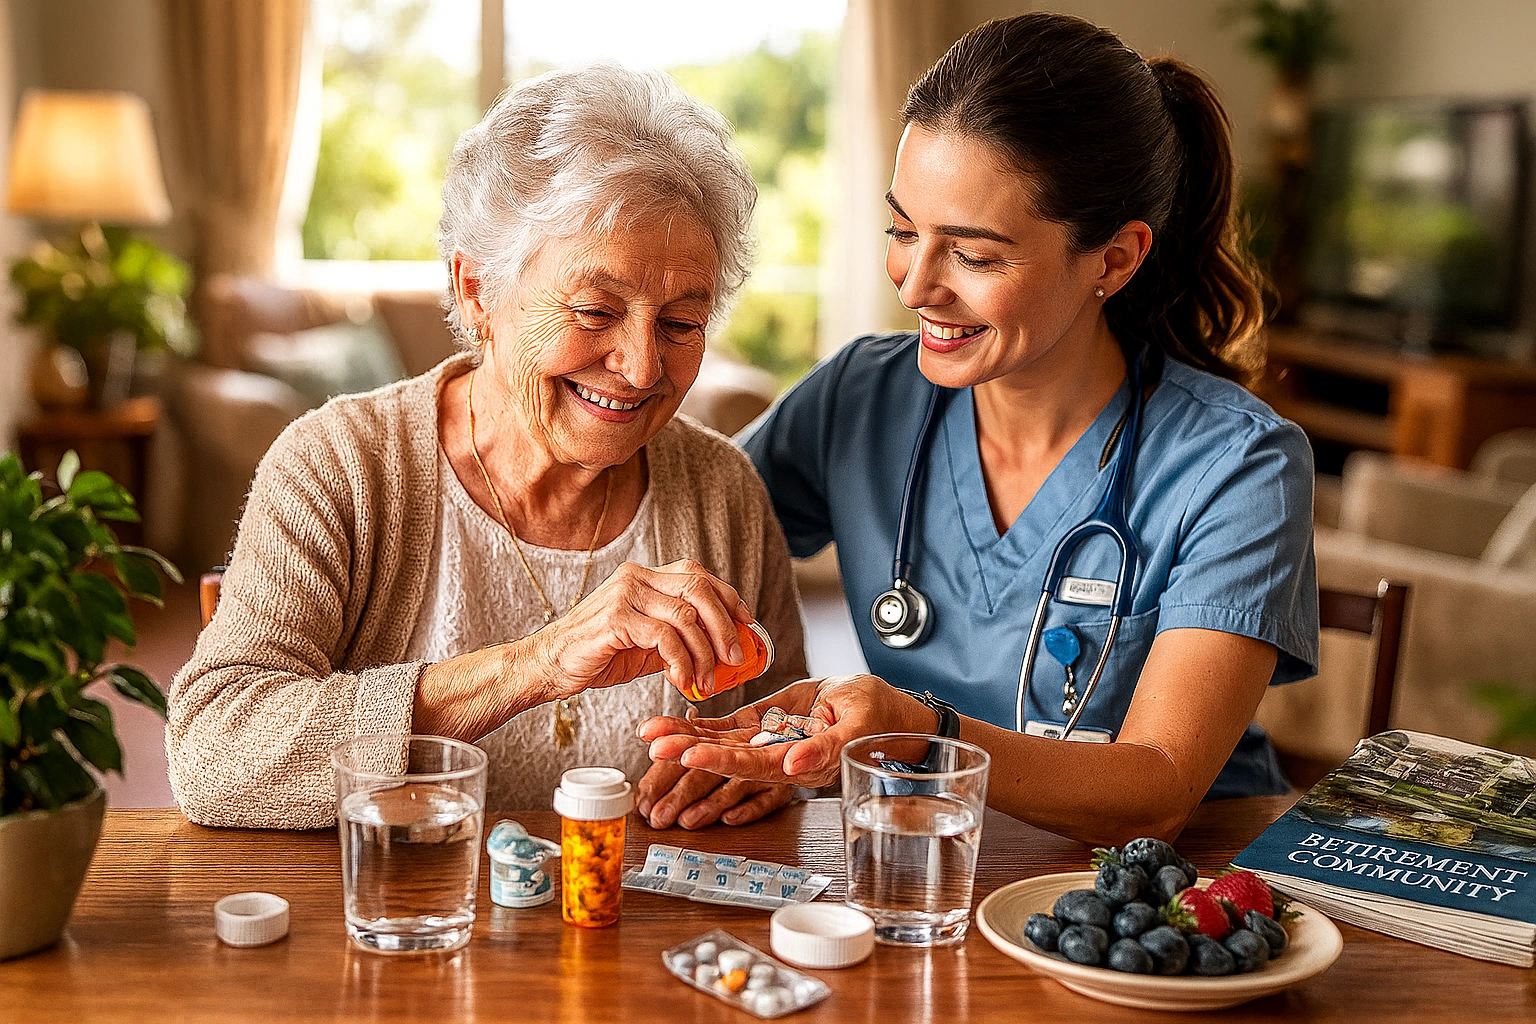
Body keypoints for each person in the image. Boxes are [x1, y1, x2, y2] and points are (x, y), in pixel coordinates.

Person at [642, 13, 1318, 846]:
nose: (917, 285)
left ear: (1113, 259)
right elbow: (685, 533)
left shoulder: (1238, 464)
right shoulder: (861, 395)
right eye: (902, 230)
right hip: (933, 858)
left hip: (1177, 882)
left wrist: (920, 735)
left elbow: (1161, 786)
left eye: (974, 255)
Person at [168, 65, 805, 830]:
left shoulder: (721, 490)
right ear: (477, 292)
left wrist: (774, 770)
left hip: (628, 935)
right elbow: (213, 751)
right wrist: (534, 665)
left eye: (680, 324)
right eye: (595, 310)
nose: (641, 368)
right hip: (396, 923)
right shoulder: (340, 465)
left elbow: (782, 728)